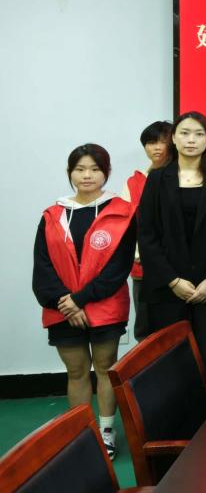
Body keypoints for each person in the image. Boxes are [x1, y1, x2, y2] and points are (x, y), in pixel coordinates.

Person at [32, 144, 136, 460]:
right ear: (70, 173)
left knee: (105, 368)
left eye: (94, 169)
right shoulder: (53, 215)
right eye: (80, 169)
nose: (87, 175)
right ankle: (81, 434)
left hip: (104, 307)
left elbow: (118, 268)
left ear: (106, 172)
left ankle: (105, 431)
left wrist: (79, 300)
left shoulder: (121, 213)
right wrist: (65, 303)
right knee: (76, 371)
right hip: (62, 309)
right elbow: (42, 266)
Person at [137, 112, 206, 380]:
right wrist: (172, 280)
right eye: (184, 133)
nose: (191, 140)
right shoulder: (157, 179)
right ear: (174, 139)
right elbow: (147, 235)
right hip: (167, 289)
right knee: (169, 364)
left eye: (199, 134)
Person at [121, 120, 172, 342]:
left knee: (175, 325)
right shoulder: (134, 182)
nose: (157, 147)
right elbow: (125, 224)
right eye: (151, 143)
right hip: (143, 266)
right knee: (145, 326)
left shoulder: (187, 177)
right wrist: (138, 253)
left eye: (163, 142)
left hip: (178, 267)